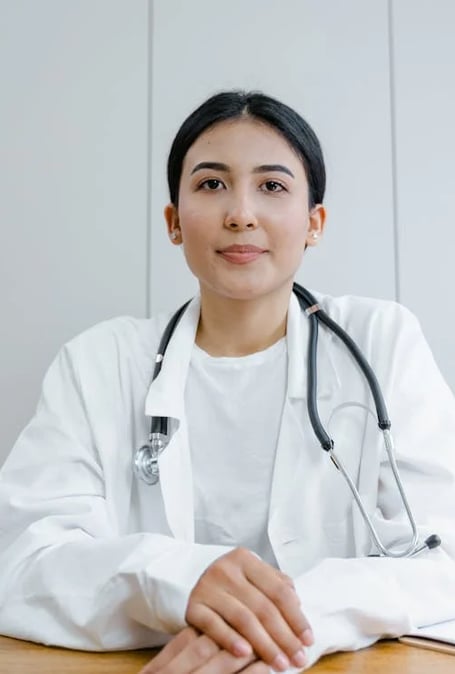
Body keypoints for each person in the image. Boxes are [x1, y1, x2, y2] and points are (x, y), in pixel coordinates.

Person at [1, 91, 455, 674]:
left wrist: (284, 622)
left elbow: (443, 555)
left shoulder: (381, 340)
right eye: (212, 184)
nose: (241, 212)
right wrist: (176, 584)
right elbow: (22, 562)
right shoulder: (99, 362)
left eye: (272, 186)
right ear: (173, 221)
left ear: (314, 222)